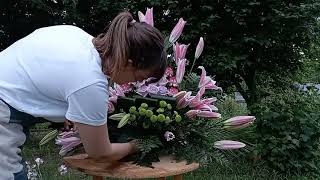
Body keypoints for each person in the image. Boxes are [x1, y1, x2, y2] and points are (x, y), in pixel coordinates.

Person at [0, 11, 167, 180]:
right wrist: (135, 146)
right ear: (128, 63)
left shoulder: (77, 36)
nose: (134, 84)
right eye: (138, 78)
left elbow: (44, 72)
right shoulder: (90, 82)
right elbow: (101, 153)